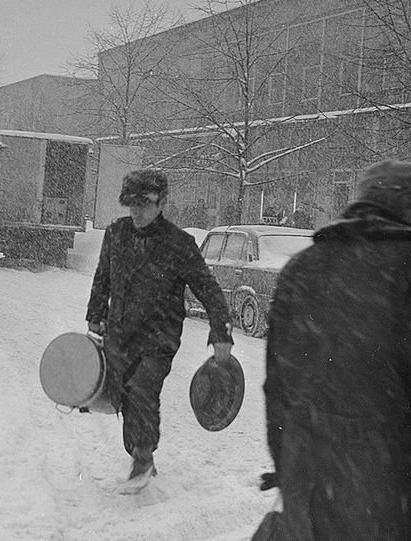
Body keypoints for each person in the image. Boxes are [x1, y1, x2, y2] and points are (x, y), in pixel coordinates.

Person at [260, 159, 411, 540]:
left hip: (306, 477)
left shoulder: (301, 267)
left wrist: (289, 464)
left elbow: (276, 388)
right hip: (384, 489)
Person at [85, 169, 234, 494]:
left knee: (142, 390)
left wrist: (221, 332)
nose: (137, 212)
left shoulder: (179, 244)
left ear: (162, 203)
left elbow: (207, 288)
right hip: (119, 333)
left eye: (145, 204)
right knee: (124, 395)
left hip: (159, 338)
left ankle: (143, 457)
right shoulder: (116, 234)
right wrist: (95, 315)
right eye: (131, 205)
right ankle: (138, 449)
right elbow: (102, 278)